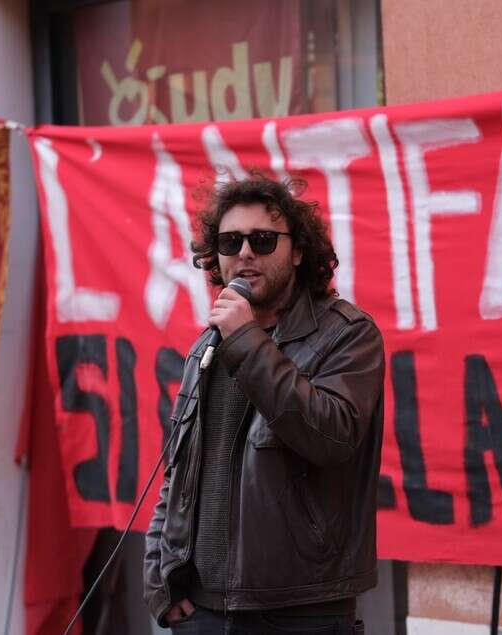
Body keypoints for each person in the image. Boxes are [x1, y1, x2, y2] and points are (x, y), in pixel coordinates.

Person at [144, 172, 386, 633]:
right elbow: (177, 475)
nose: (246, 253)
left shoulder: (348, 335)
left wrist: (248, 341)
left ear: (297, 252)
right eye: (230, 242)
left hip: (300, 611)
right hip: (203, 612)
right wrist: (160, 579)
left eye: (262, 239)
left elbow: (331, 435)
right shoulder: (208, 346)